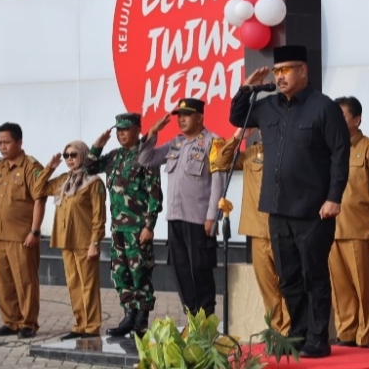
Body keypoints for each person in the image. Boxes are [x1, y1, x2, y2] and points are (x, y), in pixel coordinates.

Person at [229, 45, 350, 358]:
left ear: (303, 71)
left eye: (286, 70)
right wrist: (247, 88)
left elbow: (340, 154)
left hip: (314, 210)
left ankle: (318, 338)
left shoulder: (324, 108)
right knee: (289, 278)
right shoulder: (267, 106)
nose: (280, 77)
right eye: (277, 71)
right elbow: (237, 117)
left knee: (313, 275)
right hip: (277, 208)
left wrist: (334, 198)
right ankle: (298, 334)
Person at [138, 98, 226, 317]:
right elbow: (146, 159)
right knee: (181, 272)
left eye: (187, 115)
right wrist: (152, 133)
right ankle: (192, 318)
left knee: (200, 270)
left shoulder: (213, 142)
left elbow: (218, 182)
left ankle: (206, 320)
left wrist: (212, 216)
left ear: (200, 117)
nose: (182, 119)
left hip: (199, 220)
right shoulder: (175, 143)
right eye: (180, 115)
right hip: (175, 218)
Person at [84, 113, 163, 338]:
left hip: (138, 229)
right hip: (118, 228)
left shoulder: (145, 155)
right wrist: (97, 145)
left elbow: (154, 194)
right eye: (118, 130)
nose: (121, 134)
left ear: (138, 130)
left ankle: (141, 320)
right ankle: (128, 315)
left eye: (125, 129)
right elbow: (88, 167)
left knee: (140, 274)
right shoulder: (113, 156)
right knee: (121, 274)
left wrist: (149, 226)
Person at [329, 96, 369, 348]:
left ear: (356, 119)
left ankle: (364, 338)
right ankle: (346, 335)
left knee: (365, 289)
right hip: (333, 231)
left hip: (361, 232)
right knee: (341, 289)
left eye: (342, 116)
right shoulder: (330, 150)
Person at [215, 127, 290, 334]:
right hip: (257, 231)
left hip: (283, 230)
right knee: (268, 287)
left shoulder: (291, 151)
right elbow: (221, 163)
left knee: (288, 284)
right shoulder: (251, 154)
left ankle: (290, 333)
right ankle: (276, 334)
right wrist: (238, 137)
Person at [33, 141, 106, 340]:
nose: (69, 159)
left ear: (84, 154)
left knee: (88, 285)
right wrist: (49, 168)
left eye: (74, 154)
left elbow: (99, 216)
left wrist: (95, 243)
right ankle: (79, 325)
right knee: (74, 284)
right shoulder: (64, 180)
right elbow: (38, 190)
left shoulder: (94, 182)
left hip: (85, 241)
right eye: (66, 156)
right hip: (66, 240)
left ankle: (92, 327)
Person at [0, 123, 46, 338]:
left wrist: (35, 231)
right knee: (3, 282)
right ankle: (11, 321)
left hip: (22, 236)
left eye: (6, 142)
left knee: (25, 281)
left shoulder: (30, 167)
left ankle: (28, 323)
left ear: (19, 142)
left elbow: (39, 200)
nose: (2, 147)